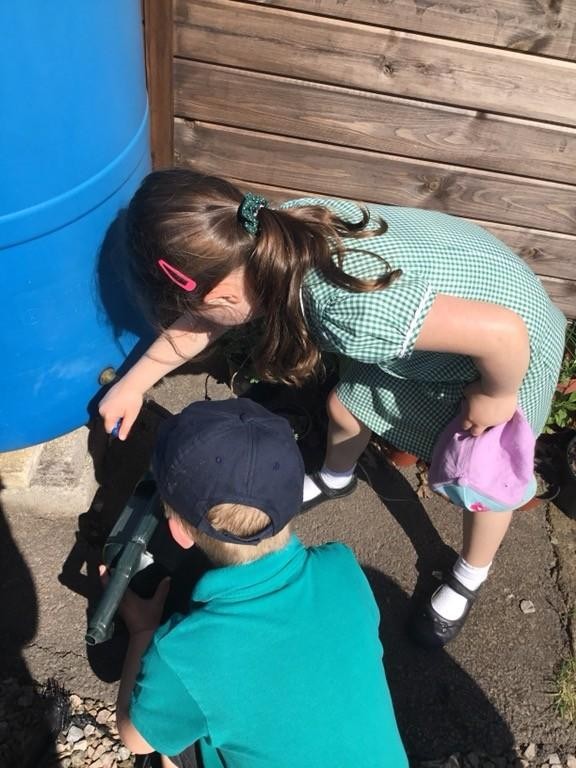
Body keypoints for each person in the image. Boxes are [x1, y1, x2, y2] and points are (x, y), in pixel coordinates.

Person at [98, 168, 566, 647]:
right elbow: (207, 320)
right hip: (445, 318)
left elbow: (504, 334)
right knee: (346, 406)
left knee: (488, 482)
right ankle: (335, 477)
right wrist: (133, 385)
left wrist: (495, 395)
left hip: (506, 357)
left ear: (220, 294)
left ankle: (471, 572)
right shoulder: (263, 230)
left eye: (195, 309)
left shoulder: (350, 311)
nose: (194, 322)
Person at [110, 397, 408, 768]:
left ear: (179, 533)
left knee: (173, 745)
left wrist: (143, 633)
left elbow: (135, 739)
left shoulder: (183, 653)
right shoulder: (342, 566)